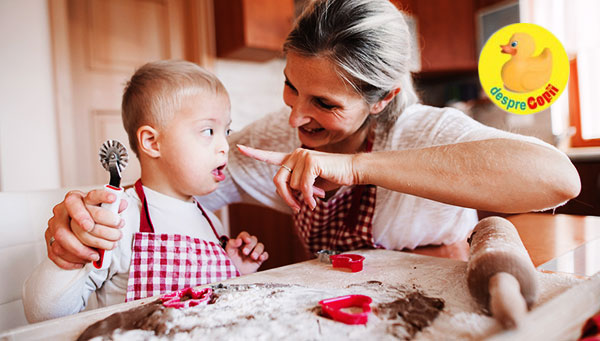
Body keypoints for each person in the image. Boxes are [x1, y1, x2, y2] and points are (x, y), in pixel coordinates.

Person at [44, 0, 579, 270]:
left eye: (324, 103)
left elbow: (557, 179)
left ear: (384, 97)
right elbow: (165, 187)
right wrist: (91, 215)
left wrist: (355, 168)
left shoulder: (426, 131)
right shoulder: (276, 134)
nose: (297, 117)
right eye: (290, 87)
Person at [23, 60, 269, 323]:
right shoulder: (117, 220)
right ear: (152, 142)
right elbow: (44, 314)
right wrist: (67, 260)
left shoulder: (213, 221)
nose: (225, 145)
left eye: (227, 130)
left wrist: (233, 270)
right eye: (208, 131)